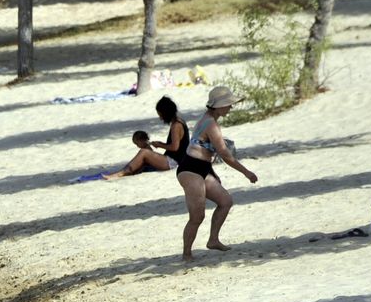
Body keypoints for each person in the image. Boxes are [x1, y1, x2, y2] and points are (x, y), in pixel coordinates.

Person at [177, 86, 258, 261]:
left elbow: (207, 152)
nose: (231, 107)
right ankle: (186, 254)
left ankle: (213, 239)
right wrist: (246, 172)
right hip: (190, 170)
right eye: (229, 104)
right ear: (219, 106)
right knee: (197, 216)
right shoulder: (210, 123)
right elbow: (225, 154)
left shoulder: (209, 119)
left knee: (225, 201)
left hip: (203, 169)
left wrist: (212, 172)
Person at [104, 96, 189, 180]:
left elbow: (174, 147)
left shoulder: (176, 126)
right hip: (174, 159)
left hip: (173, 162)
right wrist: (161, 144)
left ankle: (121, 173)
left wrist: (160, 145)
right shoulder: (179, 121)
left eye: (160, 115)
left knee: (144, 152)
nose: (160, 118)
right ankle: (126, 171)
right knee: (144, 156)